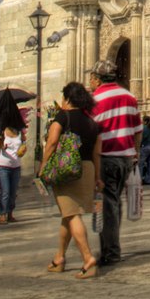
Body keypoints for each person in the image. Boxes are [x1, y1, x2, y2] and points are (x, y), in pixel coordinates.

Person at [43, 81, 101, 278]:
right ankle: (59, 257)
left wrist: (43, 167)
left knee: (72, 214)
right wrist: (98, 178)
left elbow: (51, 142)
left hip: (66, 170)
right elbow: (97, 153)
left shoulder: (63, 116)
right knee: (68, 214)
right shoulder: (92, 122)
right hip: (87, 169)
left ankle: (88, 258)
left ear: (67, 99)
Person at [89, 59, 142, 269]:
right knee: (114, 202)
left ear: (97, 79)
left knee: (107, 205)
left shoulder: (95, 100)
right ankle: (111, 246)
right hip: (126, 158)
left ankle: (111, 252)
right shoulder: (130, 96)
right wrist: (135, 153)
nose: (90, 82)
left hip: (106, 157)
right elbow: (138, 130)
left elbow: (91, 132)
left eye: (91, 78)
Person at [0, 122, 25, 223]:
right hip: (3, 166)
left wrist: (23, 149)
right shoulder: (2, 131)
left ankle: (10, 214)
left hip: (16, 166)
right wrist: (1, 142)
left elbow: (24, 144)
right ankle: (3, 214)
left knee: (13, 192)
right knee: (5, 191)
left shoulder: (20, 132)